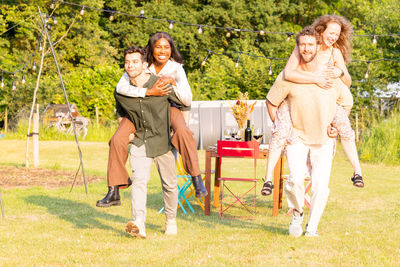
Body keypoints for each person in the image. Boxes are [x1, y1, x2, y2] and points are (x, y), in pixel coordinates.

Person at [96, 32, 207, 207]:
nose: (162, 51)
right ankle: (114, 190)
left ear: (172, 49)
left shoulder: (176, 69)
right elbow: (120, 90)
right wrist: (147, 92)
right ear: (151, 49)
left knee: (184, 131)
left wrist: (173, 83)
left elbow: (186, 100)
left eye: (166, 47)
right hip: (139, 111)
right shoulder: (141, 64)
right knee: (117, 139)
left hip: (167, 108)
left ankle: (196, 177)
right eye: (158, 47)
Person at [261, 15, 364, 197]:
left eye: (337, 34)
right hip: (300, 89)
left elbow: (347, 82)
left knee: (345, 127)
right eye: (331, 32)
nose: (333, 37)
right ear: (321, 30)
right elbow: (289, 73)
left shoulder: (335, 53)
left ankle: (357, 171)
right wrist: (316, 78)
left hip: (327, 96)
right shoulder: (308, 48)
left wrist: (339, 72)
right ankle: (268, 178)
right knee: (280, 132)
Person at [266, 26, 354, 237]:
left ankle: (312, 226)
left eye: (310, 45)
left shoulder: (330, 75)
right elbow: (271, 102)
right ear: (298, 48)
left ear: (318, 47)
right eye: (302, 45)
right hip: (297, 136)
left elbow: (347, 102)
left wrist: (335, 126)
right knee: (295, 180)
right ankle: (297, 211)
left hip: (323, 138)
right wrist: (282, 129)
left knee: (320, 186)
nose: (306, 49)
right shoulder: (289, 76)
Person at [117, 46, 185, 238]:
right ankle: (139, 223)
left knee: (170, 184)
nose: (130, 65)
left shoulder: (160, 84)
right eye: (127, 62)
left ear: (144, 64)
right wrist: (125, 132)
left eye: (135, 61)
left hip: (163, 141)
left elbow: (182, 105)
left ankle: (171, 220)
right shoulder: (122, 91)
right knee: (139, 180)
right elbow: (121, 114)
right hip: (140, 141)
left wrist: (180, 130)